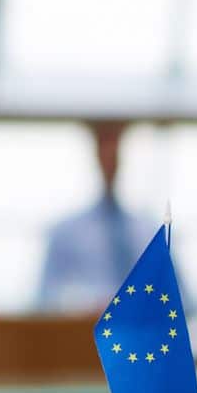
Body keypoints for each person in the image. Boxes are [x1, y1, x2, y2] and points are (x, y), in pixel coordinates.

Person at [39, 121, 152, 312]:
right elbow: (44, 299)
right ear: (95, 155)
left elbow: (182, 299)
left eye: (114, 147)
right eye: (104, 146)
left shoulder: (149, 231)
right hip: (79, 334)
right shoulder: (65, 233)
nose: (109, 157)